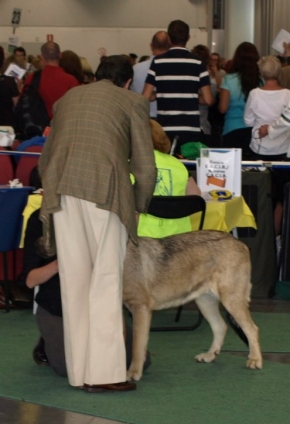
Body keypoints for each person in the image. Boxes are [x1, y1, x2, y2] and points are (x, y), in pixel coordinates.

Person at [38, 55, 157, 393]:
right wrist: (137, 207)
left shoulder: (67, 99)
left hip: (61, 189)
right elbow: (146, 169)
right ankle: (104, 375)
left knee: (73, 283)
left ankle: (78, 373)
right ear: (127, 82)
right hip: (105, 193)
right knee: (105, 282)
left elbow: (46, 158)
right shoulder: (134, 102)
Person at [23, 206, 152, 377]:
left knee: (136, 360)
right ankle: (48, 339)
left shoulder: (99, 212)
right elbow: (31, 280)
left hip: (98, 305)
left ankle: (78, 340)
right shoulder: (40, 218)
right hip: (57, 307)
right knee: (68, 368)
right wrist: (62, 262)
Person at [143, 20, 213, 154]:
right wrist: (191, 95)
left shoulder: (158, 62)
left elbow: (145, 96)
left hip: (165, 129)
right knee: (188, 169)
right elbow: (208, 100)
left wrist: (161, 94)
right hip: (191, 129)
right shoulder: (198, 62)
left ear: (169, 38)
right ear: (188, 37)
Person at [243, 56, 290, 237]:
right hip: (283, 149)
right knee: (280, 196)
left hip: (259, 149)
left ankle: (260, 234)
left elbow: (248, 120)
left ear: (261, 73)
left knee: (260, 193)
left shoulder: (254, 94)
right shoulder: (289, 94)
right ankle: (276, 236)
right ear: (279, 72)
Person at [137, 119, 202, 238]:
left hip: (142, 240)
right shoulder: (178, 164)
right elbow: (196, 195)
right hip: (179, 241)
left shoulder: (129, 164)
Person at [219, 42, 261, 159]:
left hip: (232, 129)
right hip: (255, 132)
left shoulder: (228, 79)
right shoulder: (261, 81)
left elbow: (222, 108)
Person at [22, 42, 79, 120]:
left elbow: (23, 102)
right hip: (62, 125)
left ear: (42, 57)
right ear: (60, 55)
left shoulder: (32, 78)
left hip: (38, 127)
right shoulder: (72, 81)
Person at [131, 31, 170, 119]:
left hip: (142, 119)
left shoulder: (135, 69)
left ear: (151, 45)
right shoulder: (176, 69)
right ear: (170, 46)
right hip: (167, 121)